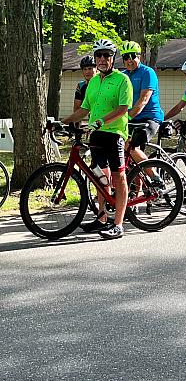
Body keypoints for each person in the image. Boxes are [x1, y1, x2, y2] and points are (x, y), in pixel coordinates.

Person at [63, 38, 133, 239]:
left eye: (106, 55)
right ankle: (102, 218)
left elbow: (123, 109)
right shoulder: (93, 82)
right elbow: (84, 109)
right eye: (98, 55)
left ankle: (118, 224)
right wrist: (63, 122)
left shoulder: (122, 80)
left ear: (112, 58)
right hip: (96, 134)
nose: (102, 59)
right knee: (98, 176)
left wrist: (101, 121)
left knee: (118, 177)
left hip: (114, 134)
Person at [121, 40, 164, 164]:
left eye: (133, 56)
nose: (129, 60)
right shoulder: (123, 76)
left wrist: (127, 117)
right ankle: (136, 182)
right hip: (131, 118)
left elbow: (143, 100)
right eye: (126, 57)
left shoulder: (147, 72)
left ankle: (154, 178)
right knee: (123, 152)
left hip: (149, 117)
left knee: (130, 146)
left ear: (139, 56)